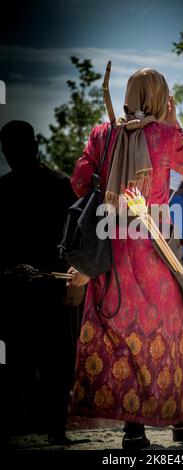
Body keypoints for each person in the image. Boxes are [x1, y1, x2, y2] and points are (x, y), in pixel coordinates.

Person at [68, 68, 183, 449]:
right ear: (160, 99)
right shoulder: (165, 135)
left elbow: (80, 182)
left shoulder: (102, 133)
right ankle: (178, 419)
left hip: (111, 249)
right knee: (179, 330)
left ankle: (133, 430)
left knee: (121, 336)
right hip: (155, 249)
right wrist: (174, 123)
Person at [0, 121, 77, 446]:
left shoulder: (60, 185)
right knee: (26, 360)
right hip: (19, 291)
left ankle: (53, 427)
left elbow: (74, 238)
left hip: (47, 288)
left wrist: (69, 277)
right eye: (8, 148)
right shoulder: (4, 190)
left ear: (32, 147)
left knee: (51, 360)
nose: (13, 154)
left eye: (16, 147)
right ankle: (42, 426)